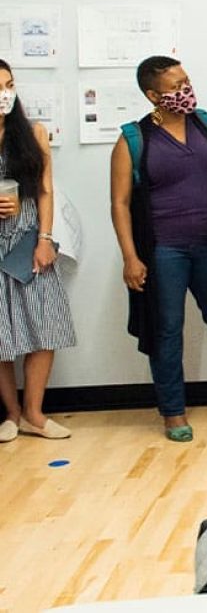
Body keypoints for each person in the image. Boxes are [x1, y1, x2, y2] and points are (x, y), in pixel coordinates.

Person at [110, 57, 207, 442]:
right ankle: (173, 412)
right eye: (175, 87)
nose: (185, 91)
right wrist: (131, 257)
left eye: (187, 81)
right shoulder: (133, 138)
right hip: (163, 251)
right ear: (152, 95)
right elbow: (120, 204)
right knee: (167, 331)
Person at [0, 62, 74, 442]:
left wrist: (45, 238)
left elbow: (45, 190)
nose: (5, 94)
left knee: (45, 327)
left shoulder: (32, 133)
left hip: (28, 240)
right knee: (1, 337)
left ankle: (34, 412)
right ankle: (11, 414)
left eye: (9, 85)